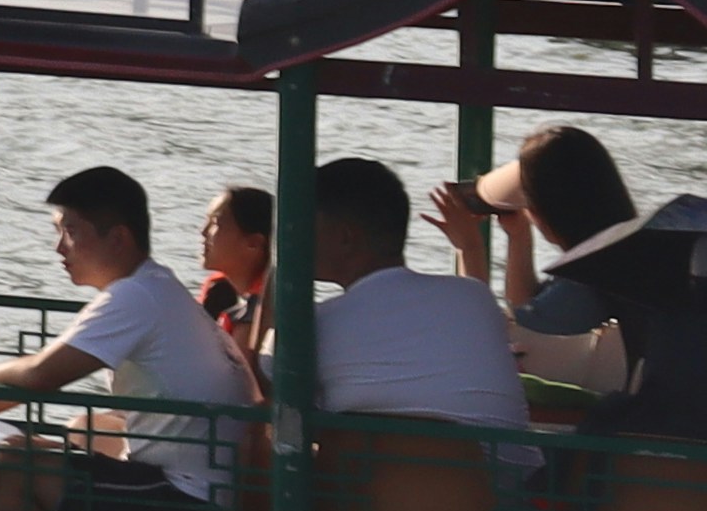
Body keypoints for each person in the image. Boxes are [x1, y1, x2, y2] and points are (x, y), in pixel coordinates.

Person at [0, 165, 245, 511]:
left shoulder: (136, 296)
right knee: (65, 436)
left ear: (118, 238)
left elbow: (40, 375)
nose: (59, 247)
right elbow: (31, 378)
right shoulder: (155, 287)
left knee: (15, 463)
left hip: (186, 502)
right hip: (203, 489)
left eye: (71, 232)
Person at [449, 124, 707, 432]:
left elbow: (505, 329)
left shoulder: (606, 268)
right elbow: (532, 310)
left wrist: (469, 246)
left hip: (664, 426)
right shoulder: (650, 249)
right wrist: (519, 237)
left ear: (546, 211)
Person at [280, 153, 532, 428]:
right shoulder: (475, 297)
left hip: (370, 457)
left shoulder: (316, 325)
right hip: (499, 457)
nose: (294, 238)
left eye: (303, 227)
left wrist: (278, 266)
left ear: (345, 238)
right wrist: (470, 246)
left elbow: (267, 386)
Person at [198, 182, 280, 372]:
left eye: (215, 223)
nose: (203, 232)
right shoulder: (220, 293)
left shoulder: (258, 314)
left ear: (254, 243)